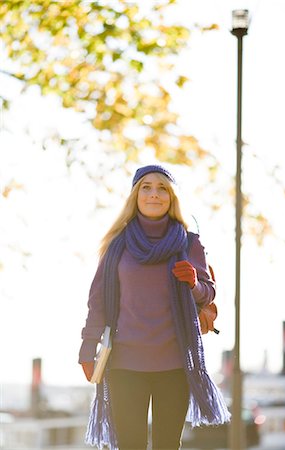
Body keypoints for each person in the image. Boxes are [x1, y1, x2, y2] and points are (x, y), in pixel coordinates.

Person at [79, 164, 230, 450]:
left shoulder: (189, 243)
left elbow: (206, 294)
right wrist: (87, 349)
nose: (154, 194)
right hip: (125, 365)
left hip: (174, 365)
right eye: (146, 187)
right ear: (135, 195)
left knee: (167, 445)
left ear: (171, 197)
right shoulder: (116, 246)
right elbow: (97, 301)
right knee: (130, 445)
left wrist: (193, 283)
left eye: (162, 188)